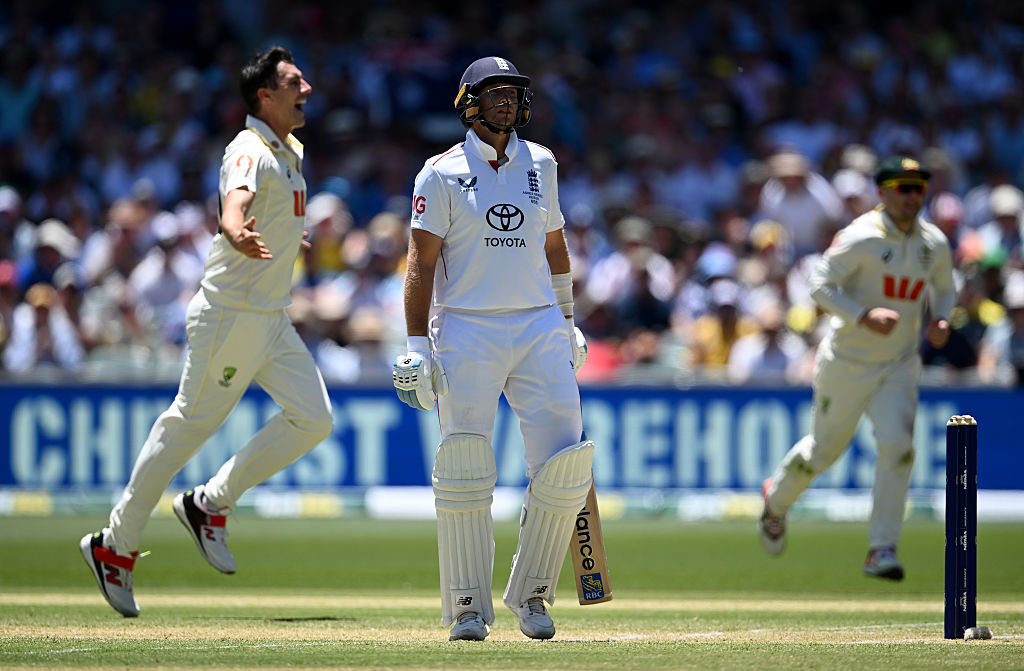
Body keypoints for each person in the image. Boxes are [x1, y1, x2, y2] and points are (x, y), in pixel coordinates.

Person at [80, 46, 333, 617]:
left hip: (269, 317)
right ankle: (113, 546)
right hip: (231, 316)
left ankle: (209, 505)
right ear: (264, 95)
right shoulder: (248, 148)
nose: (308, 88)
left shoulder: (289, 147)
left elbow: (274, 211)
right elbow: (235, 205)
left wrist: (288, 237)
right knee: (184, 429)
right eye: (295, 81)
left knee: (314, 419)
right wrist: (238, 231)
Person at [393, 56, 590, 642]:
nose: (507, 101)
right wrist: (414, 344)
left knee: (564, 463)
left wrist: (567, 318)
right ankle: (466, 608)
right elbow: (420, 263)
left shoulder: (542, 164)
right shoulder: (439, 173)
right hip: (467, 326)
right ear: (469, 101)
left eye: (514, 92)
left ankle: (531, 594)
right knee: (464, 466)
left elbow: (555, 248)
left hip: (537, 325)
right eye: (495, 91)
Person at [758, 156, 957, 581]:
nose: (911, 196)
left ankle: (881, 548)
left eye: (918, 188)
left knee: (899, 448)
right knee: (824, 451)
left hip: (900, 362)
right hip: (848, 362)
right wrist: (862, 314)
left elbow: (944, 288)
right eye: (902, 188)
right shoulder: (860, 236)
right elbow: (818, 285)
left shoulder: (933, 242)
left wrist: (941, 320)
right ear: (883, 192)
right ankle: (776, 500)